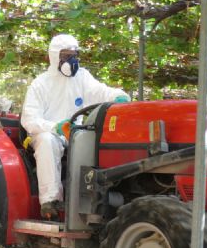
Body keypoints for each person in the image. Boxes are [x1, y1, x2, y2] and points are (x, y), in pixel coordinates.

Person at [21, 34, 130, 220]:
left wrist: (119, 96)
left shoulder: (82, 77)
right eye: (66, 55)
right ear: (55, 56)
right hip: (47, 133)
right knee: (48, 142)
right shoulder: (40, 84)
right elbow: (29, 119)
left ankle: (94, 201)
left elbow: (101, 91)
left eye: (74, 55)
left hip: (75, 133)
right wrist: (56, 127)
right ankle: (50, 201)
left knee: (96, 140)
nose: (71, 60)